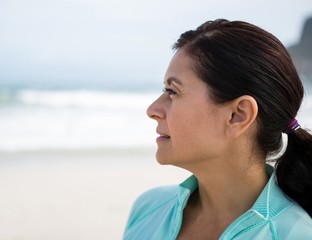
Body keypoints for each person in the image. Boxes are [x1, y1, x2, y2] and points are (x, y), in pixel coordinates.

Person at [123, 19, 312, 240]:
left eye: (173, 91)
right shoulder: (148, 209)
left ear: (237, 115)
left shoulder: (296, 234)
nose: (152, 110)